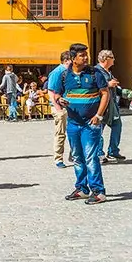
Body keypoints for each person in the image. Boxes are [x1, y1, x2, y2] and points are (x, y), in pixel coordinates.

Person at [46, 45, 110, 204]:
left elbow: (105, 94)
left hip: (91, 123)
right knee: (77, 157)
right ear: (73, 58)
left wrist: (99, 115)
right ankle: (82, 188)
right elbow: (57, 94)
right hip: (73, 123)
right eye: (82, 56)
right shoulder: (64, 75)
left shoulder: (95, 74)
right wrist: (60, 100)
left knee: (90, 157)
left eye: (86, 55)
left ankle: (98, 191)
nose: (86, 58)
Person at [97, 51, 126, 162]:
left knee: (117, 125)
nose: (114, 60)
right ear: (106, 59)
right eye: (112, 58)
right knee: (98, 129)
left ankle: (113, 151)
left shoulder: (108, 72)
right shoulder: (96, 71)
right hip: (101, 104)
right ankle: (99, 153)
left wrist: (122, 91)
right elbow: (95, 86)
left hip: (112, 104)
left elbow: (113, 86)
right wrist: (108, 84)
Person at [48, 50, 74, 168]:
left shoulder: (69, 72)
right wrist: (58, 109)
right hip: (59, 107)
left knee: (74, 132)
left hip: (69, 106)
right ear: (66, 60)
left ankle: (73, 154)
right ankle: (58, 158)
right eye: (72, 60)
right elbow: (51, 91)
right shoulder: (57, 72)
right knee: (60, 133)